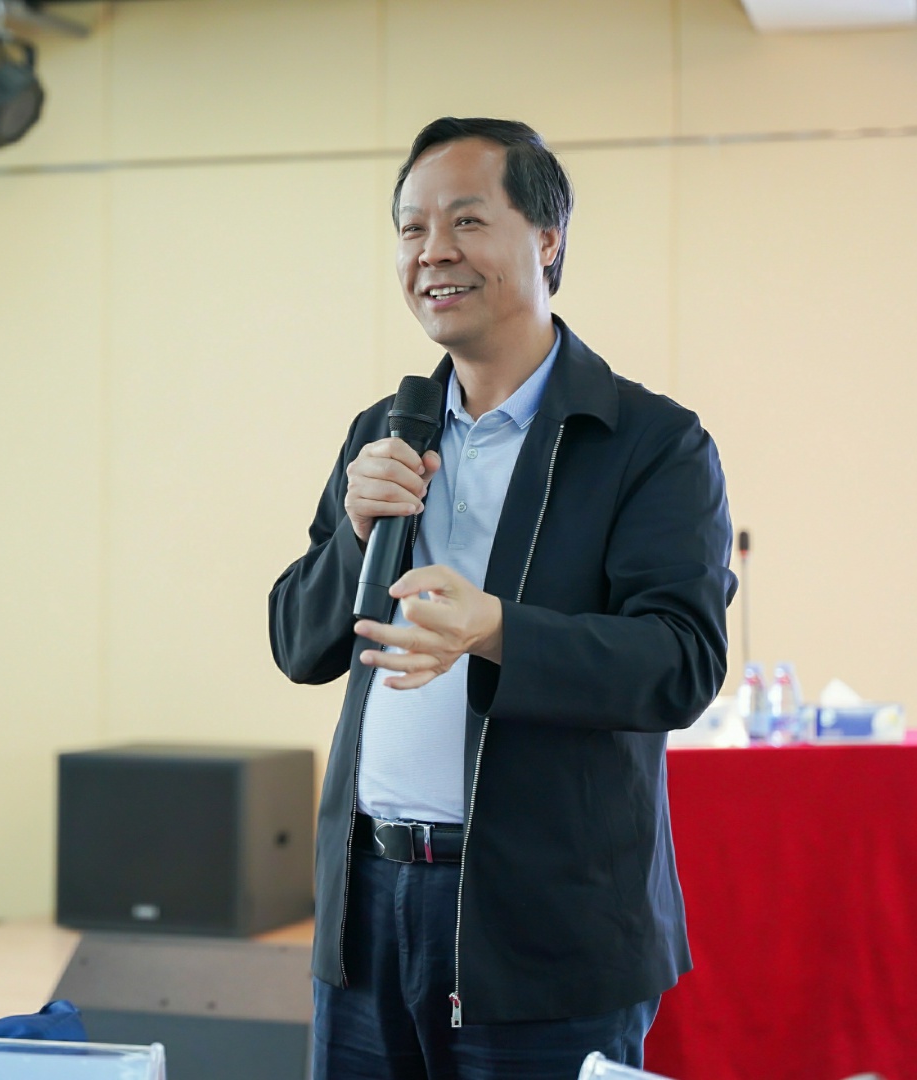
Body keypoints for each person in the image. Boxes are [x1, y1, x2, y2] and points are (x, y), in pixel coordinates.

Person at [268, 117, 737, 1080]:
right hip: (367, 909)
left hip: (548, 927)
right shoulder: (387, 429)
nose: (432, 251)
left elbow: (680, 662)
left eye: (467, 220)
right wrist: (353, 534)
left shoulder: (649, 442)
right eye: (411, 228)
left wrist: (496, 631)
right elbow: (298, 643)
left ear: (547, 240)